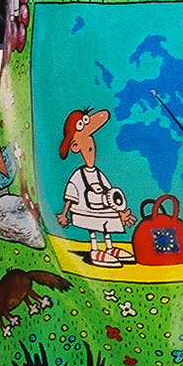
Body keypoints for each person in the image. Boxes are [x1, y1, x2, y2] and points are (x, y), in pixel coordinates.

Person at [55, 108, 135, 267]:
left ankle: (110, 248)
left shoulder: (98, 174)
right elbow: (71, 194)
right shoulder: (78, 175)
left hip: (103, 208)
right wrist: (64, 214)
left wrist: (121, 213)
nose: (91, 144)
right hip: (86, 209)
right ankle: (95, 249)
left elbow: (111, 195)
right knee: (93, 229)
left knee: (107, 226)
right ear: (75, 146)